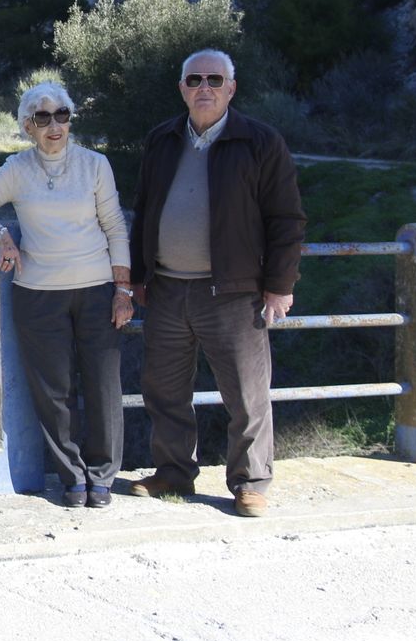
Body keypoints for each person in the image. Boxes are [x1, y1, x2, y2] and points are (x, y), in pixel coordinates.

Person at [128, 49, 305, 518]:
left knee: (246, 394)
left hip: (232, 292)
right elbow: (144, 210)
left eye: (214, 79)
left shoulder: (260, 141)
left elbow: (287, 219)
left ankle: (250, 483)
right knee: (164, 390)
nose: (204, 87)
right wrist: (139, 276)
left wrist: (280, 284)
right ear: (182, 89)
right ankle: (173, 472)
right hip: (166, 290)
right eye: (194, 80)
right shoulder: (162, 139)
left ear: (231, 88)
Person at [0, 82, 134, 509]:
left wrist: (123, 290)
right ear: (28, 126)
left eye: (62, 115)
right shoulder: (17, 169)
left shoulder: (95, 165)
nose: (54, 126)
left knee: (103, 386)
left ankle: (102, 478)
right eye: (43, 117)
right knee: (54, 392)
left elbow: (115, 228)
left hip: (96, 291)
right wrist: (0, 234)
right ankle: (73, 478)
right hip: (37, 294)